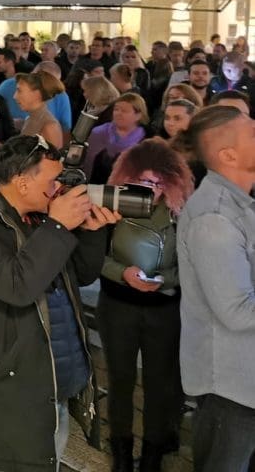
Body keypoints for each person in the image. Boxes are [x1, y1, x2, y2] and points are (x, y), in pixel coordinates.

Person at [0, 135, 121, 472]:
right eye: (52, 181)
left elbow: (80, 275)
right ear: (23, 183)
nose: (60, 189)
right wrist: (58, 225)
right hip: (9, 393)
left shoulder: (37, 215)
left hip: (51, 388)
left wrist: (93, 231)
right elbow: (17, 286)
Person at [97, 139, 193, 472]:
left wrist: (163, 281)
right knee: (120, 381)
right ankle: (121, 454)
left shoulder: (181, 215)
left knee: (158, 385)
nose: (147, 188)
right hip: (117, 304)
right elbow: (95, 256)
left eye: (154, 182)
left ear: (169, 183)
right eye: (141, 180)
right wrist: (122, 272)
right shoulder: (114, 207)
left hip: (162, 310)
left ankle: (152, 455)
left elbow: (190, 267)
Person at [175, 106, 255, 470]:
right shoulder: (214, 219)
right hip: (231, 389)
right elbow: (237, 311)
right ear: (228, 155)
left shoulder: (237, 204)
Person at [84, 93, 149, 183]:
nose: (118, 113)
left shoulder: (146, 141)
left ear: (138, 115)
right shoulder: (98, 133)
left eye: (124, 111)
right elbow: (87, 164)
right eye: (116, 109)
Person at [15, 71, 65, 148]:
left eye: (19, 91)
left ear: (37, 94)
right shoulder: (30, 119)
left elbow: (52, 159)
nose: (14, 96)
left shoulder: (49, 126)